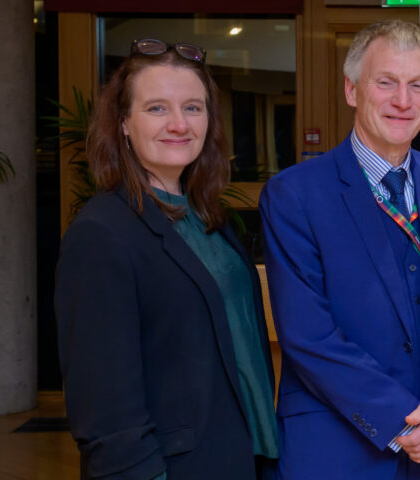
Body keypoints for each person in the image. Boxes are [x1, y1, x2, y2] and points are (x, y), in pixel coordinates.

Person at [259, 20, 420, 479]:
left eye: (417, 85)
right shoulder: (294, 195)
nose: (403, 100)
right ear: (352, 90)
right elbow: (308, 334)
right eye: (386, 83)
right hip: (337, 451)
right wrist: (401, 421)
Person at [56, 39, 278, 479]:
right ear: (123, 123)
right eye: (157, 108)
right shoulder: (101, 233)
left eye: (193, 108)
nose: (179, 123)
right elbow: (104, 410)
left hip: (244, 457)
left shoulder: (211, 218)